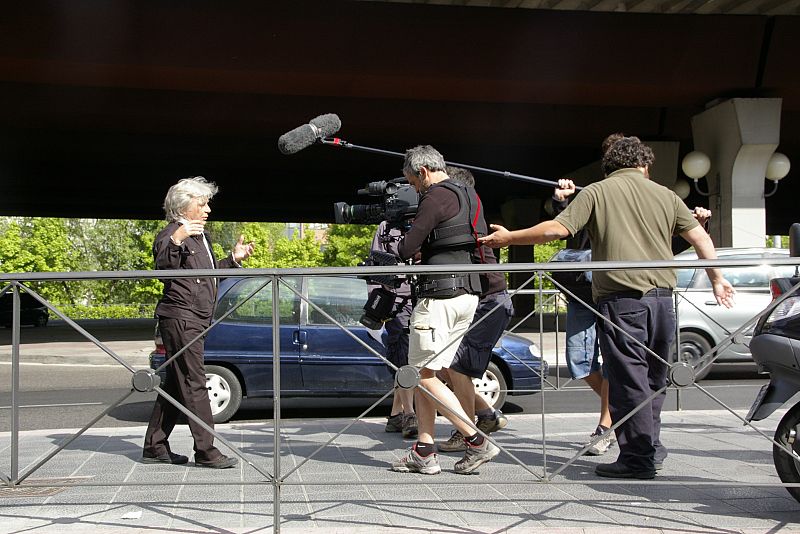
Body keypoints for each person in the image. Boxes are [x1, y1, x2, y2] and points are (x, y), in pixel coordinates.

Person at [481, 135, 735, 479]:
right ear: (644, 165)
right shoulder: (666, 195)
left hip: (623, 301)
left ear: (608, 165)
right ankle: (652, 449)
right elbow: (701, 238)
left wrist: (510, 238)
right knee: (655, 379)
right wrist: (718, 278)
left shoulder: (597, 193)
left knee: (629, 380)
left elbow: (556, 230)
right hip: (663, 302)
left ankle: (636, 459)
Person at [552, 178, 713, 458]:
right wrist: (562, 202)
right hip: (584, 292)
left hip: (624, 295)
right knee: (580, 362)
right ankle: (628, 414)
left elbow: (667, 248)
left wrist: (698, 224)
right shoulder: (599, 197)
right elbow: (569, 233)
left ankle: (609, 426)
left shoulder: (655, 201)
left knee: (625, 367)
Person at [390, 145, 500, 475]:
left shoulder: (435, 197)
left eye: (412, 182)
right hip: (468, 295)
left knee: (420, 375)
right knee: (431, 373)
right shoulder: (470, 195)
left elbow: (407, 248)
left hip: (439, 296)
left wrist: (405, 241)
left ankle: (476, 440)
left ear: (422, 172)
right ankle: (425, 451)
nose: (413, 189)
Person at [142, 176, 254, 469]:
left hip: (195, 318)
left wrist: (233, 259)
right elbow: (163, 266)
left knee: (179, 384)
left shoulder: (200, 236)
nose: (207, 210)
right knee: (194, 382)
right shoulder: (171, 234)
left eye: (207, 204)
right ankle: (206, 451)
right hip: (182, 317)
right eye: (202, 204)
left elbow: (208, 275)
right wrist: (178, 238)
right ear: (184, 205)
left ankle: (155, 446)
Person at [436, 166, 514, 453]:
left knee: (455, 367)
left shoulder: (465, 222)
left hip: (489, 301)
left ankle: (465, 432)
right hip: (484, 301)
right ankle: (487, 416)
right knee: (449, 366)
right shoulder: (468, 217)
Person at [370, 220, 418, 439]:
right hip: (397, 300)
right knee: (404, 357)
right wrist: (379, 305)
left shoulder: (427, 215)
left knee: (412, 359)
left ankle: (395, 416)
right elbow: (375, 266)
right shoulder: (386, 227)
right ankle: (409, 414)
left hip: (426, 296)